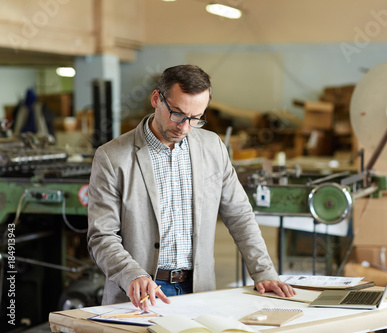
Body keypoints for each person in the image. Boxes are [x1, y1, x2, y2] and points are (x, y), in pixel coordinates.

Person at [87, 64, 295, 312]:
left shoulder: (213, 147)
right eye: (177, 113)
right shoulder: (112, 157)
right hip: (137, 296)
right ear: (156, 99)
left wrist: (263, 271)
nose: (185, 127)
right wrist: (131, 274)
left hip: (199, 290)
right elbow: (102, 236)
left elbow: (239, 215)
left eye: (196, 118)